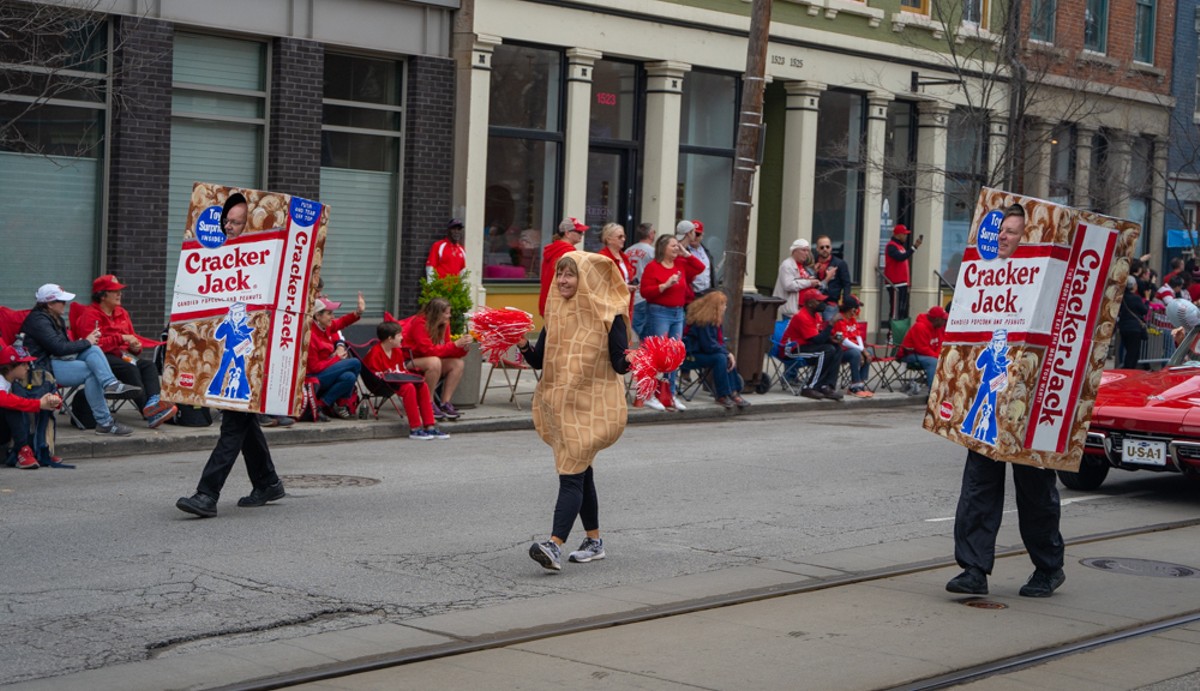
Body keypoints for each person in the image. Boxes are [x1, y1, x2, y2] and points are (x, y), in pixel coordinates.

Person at [947, 202, 1065, 600]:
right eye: (1001, 230)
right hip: (987, 399)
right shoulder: (982, 276)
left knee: (1034, 490)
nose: (1003, 236)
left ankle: (1048, 567)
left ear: (1026, 237)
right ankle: (974, 569)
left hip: (1028, 402)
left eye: (1012, 231)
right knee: (979, 485)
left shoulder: (1046, 280)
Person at [517, 253, 632, 571]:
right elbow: (540, 359)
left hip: (592, 408)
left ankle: (554, 545)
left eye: (570, 274)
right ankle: (594, 542)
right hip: (561, 407)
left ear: (588, 279)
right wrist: (521, 344)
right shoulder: (555, 310)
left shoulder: (609, 316)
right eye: (560, 274)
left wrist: (637, 360)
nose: (563, 280)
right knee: (582, 473)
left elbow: (619, 361)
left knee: (570, 477)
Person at [21, 284, 140, 436]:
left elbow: (62, 349)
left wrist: (88, 343)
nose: (66, 304)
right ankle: (105, 422)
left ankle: (111, 384)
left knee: (94, 349)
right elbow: (59, 348)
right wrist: (87, 341)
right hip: (41, 367)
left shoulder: (55, 318)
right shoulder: (39, 321)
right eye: (62, 301)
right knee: (92, 370)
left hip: (55, 359)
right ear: (50, 304)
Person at [73, 274, 177, 428]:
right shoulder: (90, 316)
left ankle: (154, 402)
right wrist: (121, 339)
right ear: (102, 295)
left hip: (123, 356)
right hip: (100, 357)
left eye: (119, 291)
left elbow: (132, 341)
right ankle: (149, 412)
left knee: (148, 366)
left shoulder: (122, 313)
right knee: (130, 368)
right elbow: (92, 346)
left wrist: (135, 347)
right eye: (114, 291)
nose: (119, 294)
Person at [639, 233, 706, 410]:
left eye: (678, 245)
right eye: (673, 246)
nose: (677, 248)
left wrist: (686, 253)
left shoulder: (680, 264)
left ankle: (669, 394)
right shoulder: (653, 267)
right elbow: (645, 292)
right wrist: (664, 285)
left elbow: (700, 267)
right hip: (659, 312)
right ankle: (650, 394)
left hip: (678, 312)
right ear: (663, 248)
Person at [362, 321, 448, 440]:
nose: (402, 338)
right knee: (409, 387)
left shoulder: (397, 351)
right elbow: (375, 376)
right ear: (390, 339)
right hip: (382, 384)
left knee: (422, 385)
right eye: (399, 335)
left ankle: (429, 425)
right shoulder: (375, 353)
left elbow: (402, 371)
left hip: (397, 381)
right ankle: (415, 428)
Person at [402, 297, 473, 420]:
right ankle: (428, 403)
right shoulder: (419, 323)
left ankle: (445, 402)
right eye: (446, 313)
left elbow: (445, 350)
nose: (449, 316)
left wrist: (462, 348)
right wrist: (455, 345)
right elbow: (427, 350)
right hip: (410, 360)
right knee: (434, 361)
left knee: (458, 363)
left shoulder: (444, 324)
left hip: (430, 359)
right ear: (436, 313)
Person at [1, 342, 62, 469]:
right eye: (23, 364)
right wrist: (39, 403)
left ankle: (40, 450)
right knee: (13, 405)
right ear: (9, 367)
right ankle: (22, 450)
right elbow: (4, 400)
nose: (28, 367)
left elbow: (36, 398)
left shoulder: (15, 381)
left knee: (24, 403)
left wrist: (53, 401)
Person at [682, 291, 748, 408]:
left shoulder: (715, 321)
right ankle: (722, 394)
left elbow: (719, 342)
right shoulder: (702, 322)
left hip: (703, 353)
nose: (725, 307)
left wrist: (728, 353)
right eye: (723, 304)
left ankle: (733, 392)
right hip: (691, 356)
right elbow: (708, 345)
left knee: (725, 357)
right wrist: (726, 353)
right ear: (716, 307)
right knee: (720, 358)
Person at [779, 288, 845, 401]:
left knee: (836, 348)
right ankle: (809, 387)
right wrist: (831, 323)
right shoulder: (802, 316)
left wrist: (831, 338)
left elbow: (817, 336)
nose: (822, 303)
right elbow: (817, 340)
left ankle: (827, 386)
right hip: (792, 349)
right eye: (819, 301)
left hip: (806, 345)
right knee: (826, 351)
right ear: (810, 303)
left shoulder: (816, 316)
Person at [307, 294, 365, 420]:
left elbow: (342, 322)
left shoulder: (325, 327)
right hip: (314, 377)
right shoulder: (311, 335)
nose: (333, 317)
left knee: (349, 377)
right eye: (329, 314)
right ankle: (342, 403)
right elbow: (314, 368)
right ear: (317, 316)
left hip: (326, 370)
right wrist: (336, 359)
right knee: (355, 363)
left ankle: (321, 405)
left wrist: (357, 312)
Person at [538, 217, 586, 316]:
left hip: (547, 301)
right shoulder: (569, 252)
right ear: (567, 233)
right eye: (579, 232)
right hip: (560, 304)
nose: (582, 235)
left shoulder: (552, 249)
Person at [898, 305, 947, 391]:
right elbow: (921, 348)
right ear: (937, 319)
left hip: (926, 354)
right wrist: (937, 356)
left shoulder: (939, 328)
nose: (945, 322)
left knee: (948, 358)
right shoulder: (920, 327)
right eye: (943, 319)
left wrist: (940, 355)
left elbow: (940, 344)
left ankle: (945, 388)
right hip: (910, 354)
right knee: (933, 362)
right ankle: (933, 391)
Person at [832, 296, 872, 398]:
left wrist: (863, 351)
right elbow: (843, 341)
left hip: (854, 349)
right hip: (841, 350)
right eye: (855, 309)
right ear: (849, 309)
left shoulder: (852, 320)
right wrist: (861, 351)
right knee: (855, 353)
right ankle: (855, 386)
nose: (857, 311)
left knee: (869, 352)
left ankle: (861, 385)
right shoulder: (839, 320)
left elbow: (858, 336)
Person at [772, 238, 820, 321]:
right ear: (794, 251)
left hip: (803, 309)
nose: (806, 253)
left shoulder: (801, 265)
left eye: (808, 251)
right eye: (803, 250)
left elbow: (800, 280)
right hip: (791, 310)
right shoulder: (787, 265)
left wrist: (812, 281)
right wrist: (809, 283)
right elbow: (788, 285)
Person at [596, 222, 636, 318]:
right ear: (608, 239)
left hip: (626, 303)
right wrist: (622, 287)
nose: (623, 239)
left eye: (624, 236)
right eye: (620, 237)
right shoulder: (602, 258)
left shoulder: (624, 257)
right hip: (611, 307)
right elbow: (600, 284)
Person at [625, 222, 657, 339]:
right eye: (654, 232)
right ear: (650, 234)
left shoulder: (628, 250)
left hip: (630, 295)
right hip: (642, 296)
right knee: (643, 333)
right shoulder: (652, 252)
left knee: (633, 328)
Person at [884, 224, 922, 320]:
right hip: (895, 283)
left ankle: (899, 329)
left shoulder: (900, 247)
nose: (906, 236)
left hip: (902, 282)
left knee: (902, 308)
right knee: (895, 309)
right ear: (899, 234)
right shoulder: (891, 246)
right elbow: (900, 257)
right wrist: (914, 248)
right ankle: (891, 331)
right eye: (904, 234)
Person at [813, 235, 851, 320]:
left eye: (827, 246)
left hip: (831, 304)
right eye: (822, 247)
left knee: (829, 330)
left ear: (831, 248)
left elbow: (846, 284)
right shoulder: (812, 264)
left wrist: (845, 300)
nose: (825, 249)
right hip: (814, 304)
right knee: (814, 331)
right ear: (817, 249)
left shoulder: (840, 264)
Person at [1117, 275, 1148, 370]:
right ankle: (1128, 369)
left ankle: (1126, 367)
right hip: (1134, 328)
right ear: (1134, 286)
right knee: (1133, 352)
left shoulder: (1121, 298)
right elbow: (1144, 310)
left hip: (1123, 327)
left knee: (1127, 349)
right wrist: (1147, 300)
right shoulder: (1136, 298)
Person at [677, 220, 715, 296]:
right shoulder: (682, 250)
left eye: (697, 234)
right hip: (691, 292)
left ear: (702, 235)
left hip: (707, 292)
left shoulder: (706, 251)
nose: (695, 237)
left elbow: (709, 271)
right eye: (694, 233)